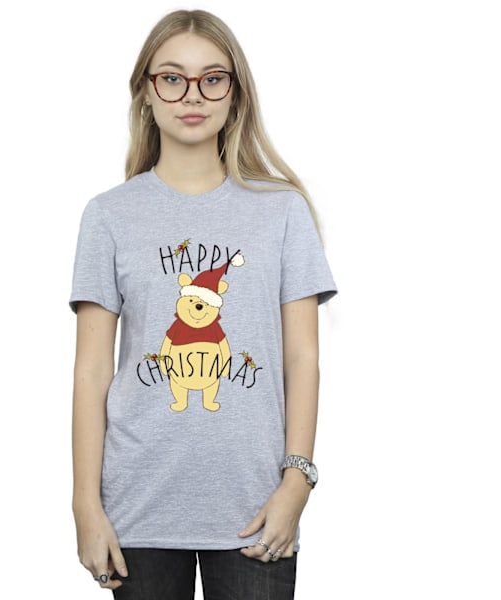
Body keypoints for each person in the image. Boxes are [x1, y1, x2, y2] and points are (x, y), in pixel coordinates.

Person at [69, 9, 337, 599]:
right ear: (145, 92)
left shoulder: (283, 211)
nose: (193, 94)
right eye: (172, 77)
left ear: (235, 93)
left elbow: (303, 359)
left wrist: (297, 483)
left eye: (212, 78)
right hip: (137, 506)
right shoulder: (109, 216)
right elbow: (91, 372)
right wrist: (85, 504)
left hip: (256, 507)